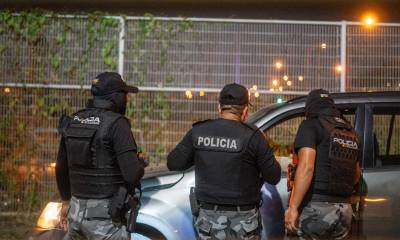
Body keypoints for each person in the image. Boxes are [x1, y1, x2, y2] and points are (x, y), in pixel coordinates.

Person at [167, 83, 281, 240]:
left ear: (219, 107)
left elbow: (174, 163)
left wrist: (203, 155)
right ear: (245, 110)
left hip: (208, 222)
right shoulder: (254, 136)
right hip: (244, 222)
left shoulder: (199, 132)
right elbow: (274, 176)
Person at [56, 72, 145, 240]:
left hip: (74, 215)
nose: (128, 99)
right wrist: (140, 163)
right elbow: (132, 174)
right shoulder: (117, 124)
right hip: (105, 221)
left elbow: (61, 167)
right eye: (125, 95)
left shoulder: (74, 120)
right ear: (116, 97)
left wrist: (66, 201)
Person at [285, 89, 361, 239]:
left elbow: (307, 167)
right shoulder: (351, 132)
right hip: (344, 211)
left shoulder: (311, 125)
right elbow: (356, 175)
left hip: (316, 209)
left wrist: (292, 208)